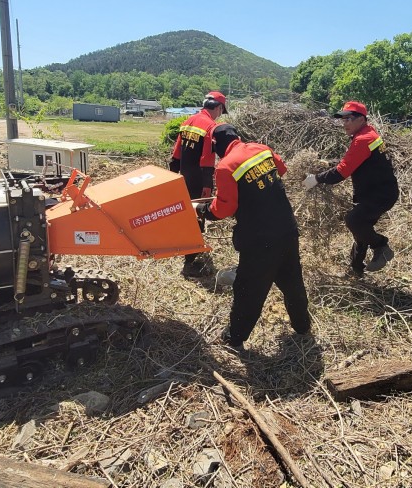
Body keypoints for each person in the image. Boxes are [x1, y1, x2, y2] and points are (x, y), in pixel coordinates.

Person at [195, 124, 311, 350]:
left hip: (260, 239)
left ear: (217, 146)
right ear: (237, 137)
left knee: (249, 289)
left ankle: (234, 338)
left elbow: (224, 209)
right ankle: (302, 326)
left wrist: (202, 210)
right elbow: (282, 169)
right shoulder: (262, 149)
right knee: (292, 281)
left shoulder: (226, 167)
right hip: (287, 229)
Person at [303, 101, 399, 278]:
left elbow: (341, 172)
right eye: (343, 119)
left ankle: (381, 246)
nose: (344, 123)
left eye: (348, 119)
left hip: (379, 194)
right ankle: (356, 269)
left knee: (354, 221)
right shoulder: (367, 134)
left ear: (361, 119)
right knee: (361, 229)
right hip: (373, 192)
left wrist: (316, 179)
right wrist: (329, 164)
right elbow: (354, 162)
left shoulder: (363, 139)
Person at [169, 91, 227, 276]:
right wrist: (207, 186)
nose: (220, 114)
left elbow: (176, 153)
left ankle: (185, 248)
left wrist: (172, 177)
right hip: (198, 179)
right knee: (197, 216)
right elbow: (207, 159)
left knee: (185, 214)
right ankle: (190, 262)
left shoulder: (188, 121)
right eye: (221, 111)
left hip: (183, 176)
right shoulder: (211, 126)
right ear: (218, 108)